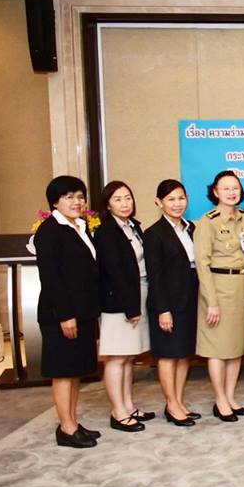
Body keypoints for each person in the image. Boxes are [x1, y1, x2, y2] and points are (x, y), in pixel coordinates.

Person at [34, 176, 102, 448]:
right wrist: (65, 315)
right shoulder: (49, 231)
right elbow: (51, 278)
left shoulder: (80, 226)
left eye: (80, 196)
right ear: (55, 202)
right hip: (60, 315)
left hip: (83, 311)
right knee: (63, 371)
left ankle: (71, 421)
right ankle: (66, 427)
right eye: (69, 197)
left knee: (75, 370)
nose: (77, 202)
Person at [195, 170, 244, 422]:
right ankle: (219, 399)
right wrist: (212, 302)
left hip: (242, 287)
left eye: (235, 188)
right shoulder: (208, 222)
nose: (232, 192)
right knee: (218, 348)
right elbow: (202, 264)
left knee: (235, 347)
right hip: (218, 289)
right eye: (226, 188)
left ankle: (230, 396)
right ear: (215, 192)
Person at [95, 180, 153, 433]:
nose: (124, 203)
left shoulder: (133, 226)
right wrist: (130, 307)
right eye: (117, 199)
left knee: (129, 356)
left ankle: (129, 406)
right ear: (107, 205)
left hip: (138, 292)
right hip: (119, 301)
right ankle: (117, 411)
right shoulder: (106, 232)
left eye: (127, 197)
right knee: (117, 357)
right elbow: (115, 273)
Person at [143, 179, 199, 427]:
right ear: (159, 202)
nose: (177, 204)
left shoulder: (190, 228)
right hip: (167, 303)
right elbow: (155, 276)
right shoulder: (154, 233)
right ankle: (171, 404)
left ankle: (178, 401)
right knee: (168, 355)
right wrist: (163, 309)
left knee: (183, 354)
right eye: (171, 199)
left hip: (189, 299)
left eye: (181, 198)